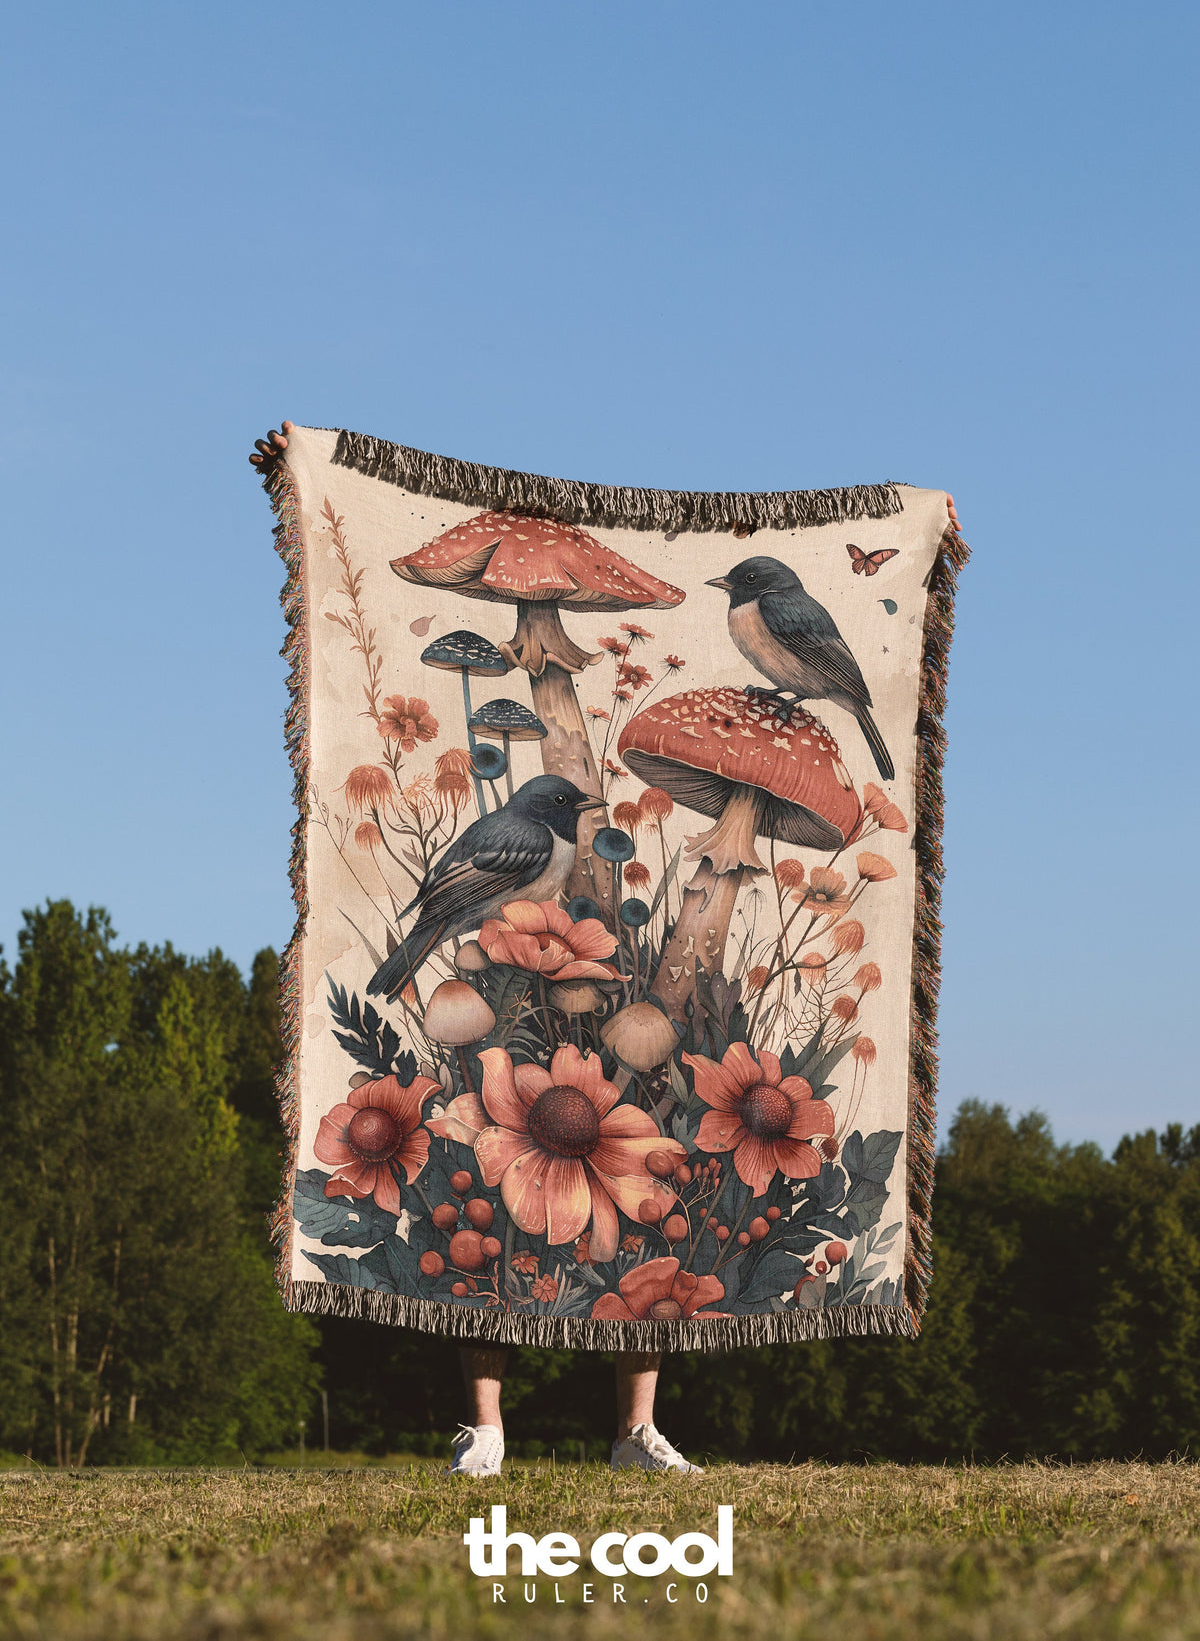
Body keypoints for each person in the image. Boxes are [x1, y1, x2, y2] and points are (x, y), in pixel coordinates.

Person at [250, 422, 962, 1476]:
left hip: (614, 1041)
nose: (583, 819)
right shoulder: (527, 834)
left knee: (656, 1220)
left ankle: (634, 1428)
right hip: (524, 1023)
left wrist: (920, 530)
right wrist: (307, 459)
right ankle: (487, 1427)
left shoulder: (566, 816)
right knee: (482, 1207)